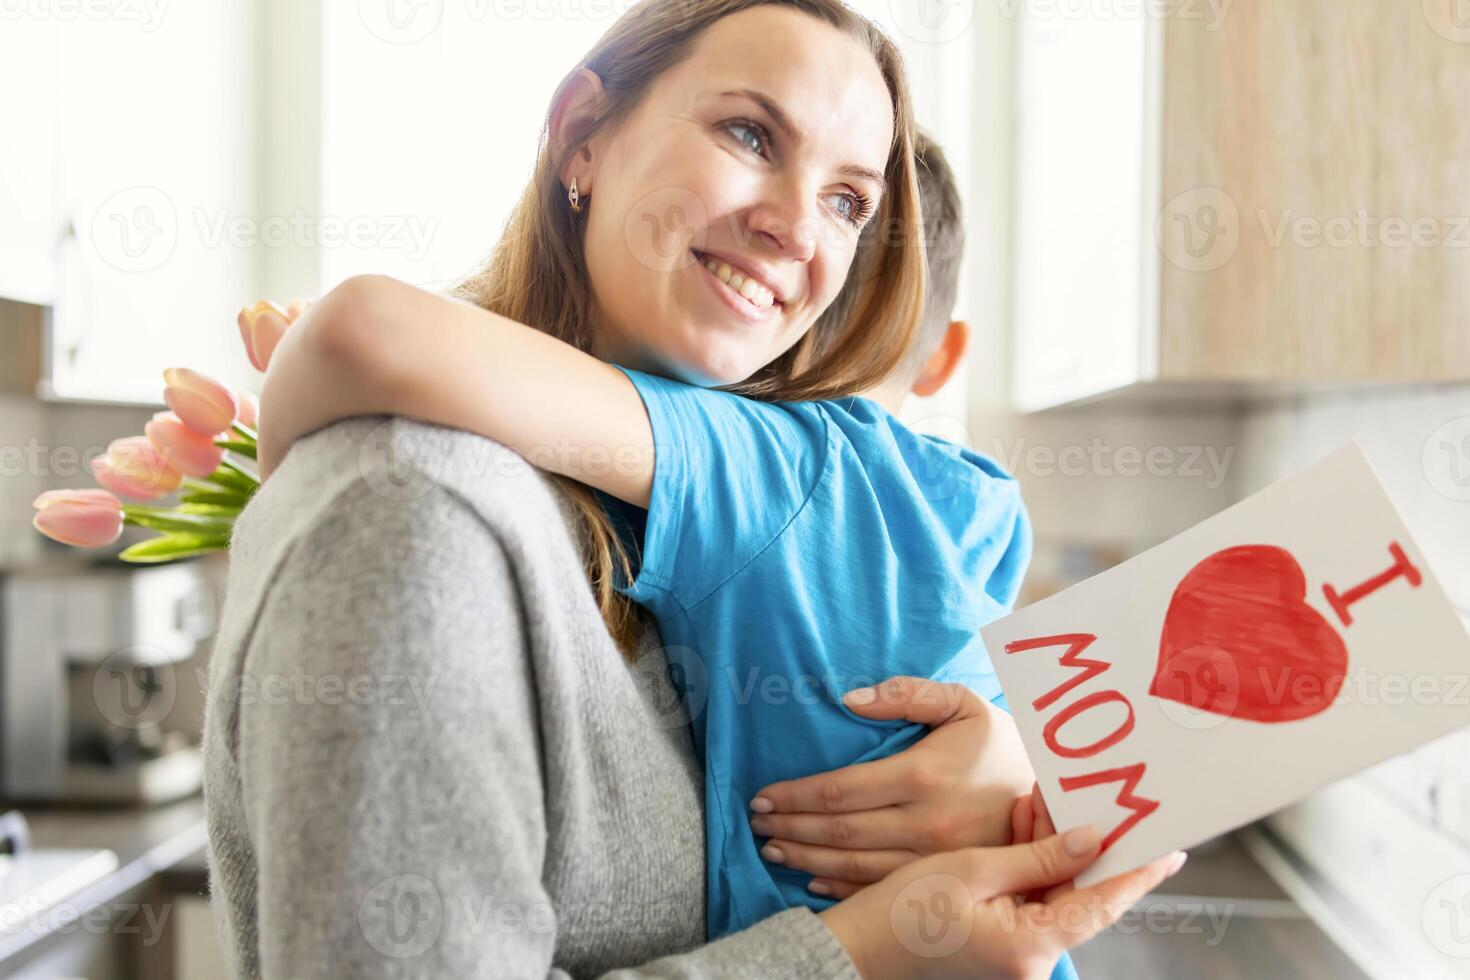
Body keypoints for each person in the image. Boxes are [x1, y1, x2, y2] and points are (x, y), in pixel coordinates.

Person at [206, 2, 1183, 977]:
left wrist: (1001, 775)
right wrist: (865, 948)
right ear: (580, 134)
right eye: (749, 133)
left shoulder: (737, 496)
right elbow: (363, 335)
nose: (798, 227)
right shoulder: (413, 512)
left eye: (849, 200)